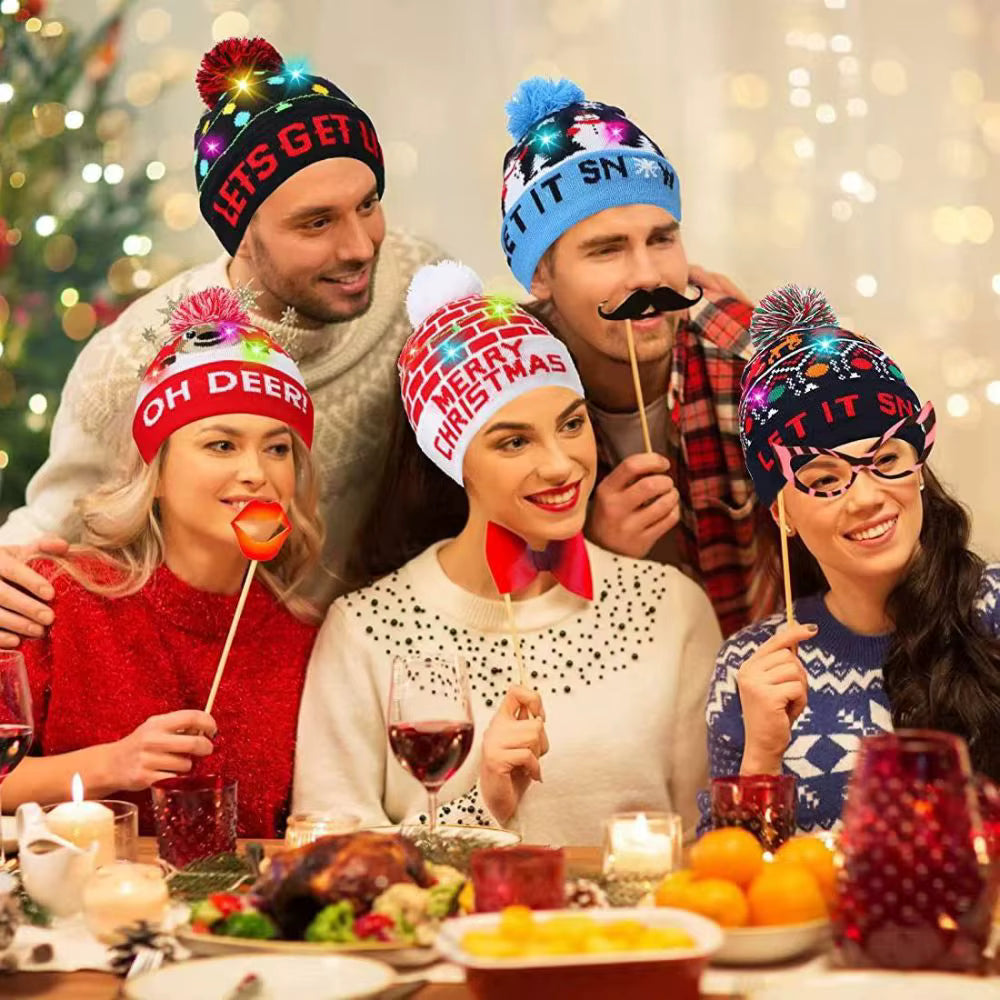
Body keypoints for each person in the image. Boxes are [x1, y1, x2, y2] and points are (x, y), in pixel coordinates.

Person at [0, 35, 441, 646]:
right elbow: (52, 525)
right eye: (317, 222)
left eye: (367, 205)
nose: (361, 246)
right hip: (213, 677)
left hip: (388, 660)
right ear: (240, 234)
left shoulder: (421, 281)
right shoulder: (138, 355)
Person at [292, 261, 721, 846]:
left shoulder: (671, 607)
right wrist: (482, 804)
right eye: (514, 441)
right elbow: (330, 856)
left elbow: (706, 844)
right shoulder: (364, 630)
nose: (561, 464)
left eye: (571, 425)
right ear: (451, 459)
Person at [3, 288, 323, 838]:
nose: (257, 473)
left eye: (277, 448)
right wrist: (114, 763)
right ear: (156, 472)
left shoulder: (303, 636)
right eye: (221, 445)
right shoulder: (59, 599)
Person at [704, 284, 1000, 833]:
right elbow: (735, 886)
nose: (865, 498)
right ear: (782, 513)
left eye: (886, 458)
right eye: (824, 480)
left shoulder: (994, 611)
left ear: (919, 467)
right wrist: (761, 759)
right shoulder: (749, 670)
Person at [498, 77, 776, 636]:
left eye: (661, 240)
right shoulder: (498, 387)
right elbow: (461, 597)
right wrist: (588, 548)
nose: (649, 276)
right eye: (606, 250)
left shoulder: (750, 363)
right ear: (542, 275)